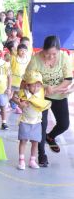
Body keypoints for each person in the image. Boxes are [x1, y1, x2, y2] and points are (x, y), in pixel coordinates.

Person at [25, 35, 73, 167]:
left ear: (59, 50)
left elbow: (68, 79)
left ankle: (50, 137)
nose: (51, 57)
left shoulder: (64, 57)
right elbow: (28, 80)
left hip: (58, 95)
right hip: (40, 96)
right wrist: (45, 87)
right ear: (43, 50)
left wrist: (56, 89)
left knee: (64, 124)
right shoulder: (35, 59)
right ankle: (41, 155)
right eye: (47, 54)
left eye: (54, 54)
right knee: (42, 125)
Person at [13, 71, 51, 170]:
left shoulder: (42, 92)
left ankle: (32, 160)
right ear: (28, 85)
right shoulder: (23, 92)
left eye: (38, 86)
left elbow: (49, 90)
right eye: (33, 86)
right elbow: (13, 96)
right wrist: (19, 103)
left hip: (37, 122)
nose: (36, 88)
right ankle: (21, 160)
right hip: (25, 121)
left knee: (35, 142)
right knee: (23, 141)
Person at [10, 43, 31, 114]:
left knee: (19, 96)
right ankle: (15, 106)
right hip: (12, 82)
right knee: (10, 96)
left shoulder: (28, 60)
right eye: (21, 50)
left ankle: (18, 107)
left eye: (24, 50)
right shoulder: (13, 58)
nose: (23, 52)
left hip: (22, 83)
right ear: (17, 51)